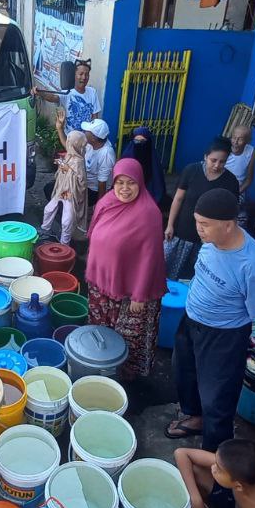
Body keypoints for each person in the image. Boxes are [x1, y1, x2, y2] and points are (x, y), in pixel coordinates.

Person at [167, 189, 255, 450]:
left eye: (205, 224)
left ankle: (216, 460)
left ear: (229, 225)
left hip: (223, 337)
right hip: (191, 320)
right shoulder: (211, 241)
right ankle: (194, 417)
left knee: (216, 399)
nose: (199, 229)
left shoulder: (252, 264)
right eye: (197, 221)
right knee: (184, 372)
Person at [85, 159, 167, 379]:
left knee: (127, 339)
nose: (124, 188)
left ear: (140, 182)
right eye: (119, 182)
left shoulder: (148, 213)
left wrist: (139, 295)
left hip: (131, 292)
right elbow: (93, 232)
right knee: (101, 333)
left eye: (130, 183)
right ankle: (100, 367)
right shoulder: (107, 201)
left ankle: (125, 379)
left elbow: (151, 258)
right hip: (102, 282)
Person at [164, 138, 239, 280]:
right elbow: (178, 199)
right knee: (168, 272)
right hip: (182, 232)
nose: (217, 165)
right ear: (205, 156)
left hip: (209, 240)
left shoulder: (231, 182)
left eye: (222, 161)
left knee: (196, 276)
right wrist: (170, 225)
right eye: (213, 160)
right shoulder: (191, 171)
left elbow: (231, 214)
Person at [42, 122, 89, 245]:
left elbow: (81, 182)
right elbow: (63, 173)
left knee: (66, 220)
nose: (67, 143)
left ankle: (65, 242)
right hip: (62, 190)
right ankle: (45, 229)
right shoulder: (69, 155)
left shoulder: (79, 161)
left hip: (70, 193)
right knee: (49, 209)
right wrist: (62, 164)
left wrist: (65, 167)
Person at [34, 58, 102, 135]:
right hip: (71, 138)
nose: (84, 77)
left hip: (87, 139)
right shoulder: (67, 93)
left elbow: (95, 118)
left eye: (87, 74)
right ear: (74, 75)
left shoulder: (92, 92)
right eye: (81, 74)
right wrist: (40, 93)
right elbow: (53, 97)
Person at [119, 125, 167, 205]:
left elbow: (157, 183)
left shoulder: (153, 159)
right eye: (136, 141)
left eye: (142, 141)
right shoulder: (127, 154)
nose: (139, 144)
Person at [80, 118, 116, 206]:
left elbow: (102, 183)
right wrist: (60, 129)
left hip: (93, 191)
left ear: (94, 138)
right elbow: (70, 146)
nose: (84, 131)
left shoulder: (106, 154)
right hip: (84, 184)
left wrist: (99, 206)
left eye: (87, 131)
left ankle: (73, 217)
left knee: (64, 198)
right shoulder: (90, 144)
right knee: (56, 189)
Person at [225, 124, 255, 222]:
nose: (236, 142)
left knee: (239, 218)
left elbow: (249, 180)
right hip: (219, 186)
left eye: (240, 139)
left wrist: (236, 193)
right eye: (234, 137)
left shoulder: (251, 152)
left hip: (238, 190)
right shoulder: (225, 148)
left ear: (247, 142)